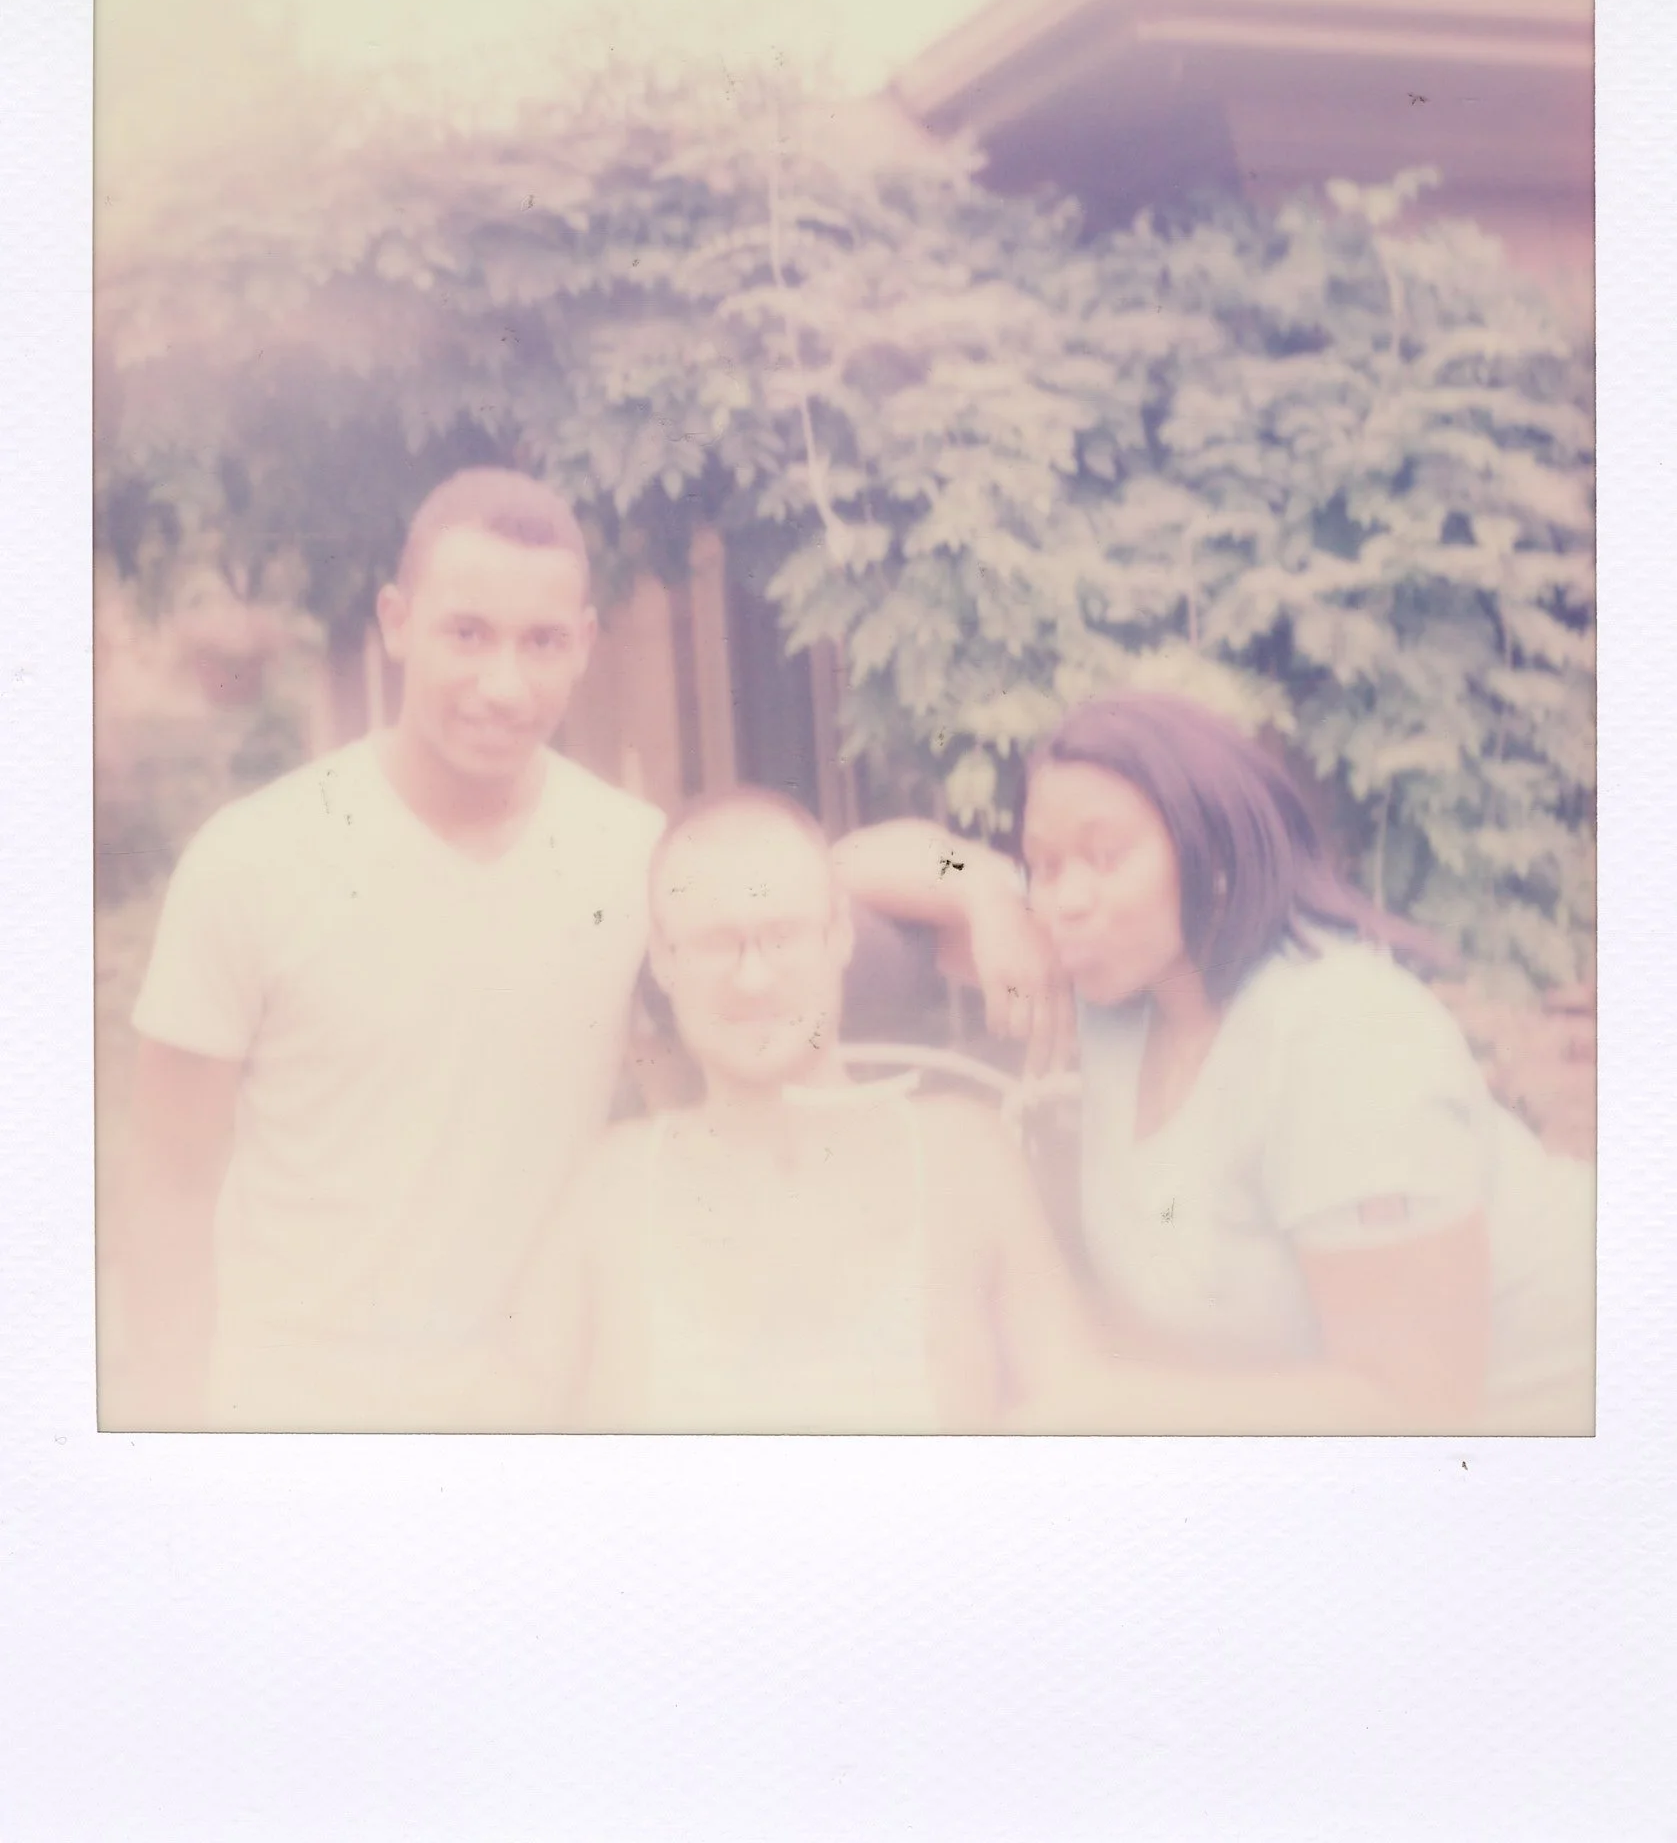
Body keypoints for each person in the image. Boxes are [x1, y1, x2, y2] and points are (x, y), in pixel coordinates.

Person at [115, 468, 1056, 1432]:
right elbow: (169, 1180)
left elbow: (825, 867)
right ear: (397, 624)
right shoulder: (252, 861)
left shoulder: (631, 857)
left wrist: (985, 882)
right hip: (301, 1420)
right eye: (466, 634)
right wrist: (171, 1433)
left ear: (584, 647)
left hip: (538, 1418)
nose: (503, 684)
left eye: (542, 642)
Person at [1017, 691, 1595, 1435]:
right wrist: (970, 891)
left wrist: (1111, 1405)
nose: (1061, 898)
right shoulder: (1120, 985)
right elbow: (873, 869)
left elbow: (1419, 1411)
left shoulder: (1341, 1039)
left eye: (1103, 856)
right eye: (1040, 864)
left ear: (1213, 849)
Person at [494, 789, 1129, 1433]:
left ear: (840, 938)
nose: (753, 979)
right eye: (716, 943)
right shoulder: (616, 1183)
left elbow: (1080, 1406)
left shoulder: (960, 1155)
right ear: (663, 960)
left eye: (781, 936)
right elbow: (508, 1412)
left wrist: (988, 892)